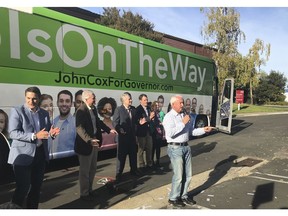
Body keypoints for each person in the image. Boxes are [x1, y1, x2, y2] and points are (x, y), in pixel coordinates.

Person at [7, 86, 60, 209]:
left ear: (39, 99)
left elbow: (45, 132)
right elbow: (13, 133)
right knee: (23, 188)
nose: (31, 101)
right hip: (22, 156)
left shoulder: (44, 113)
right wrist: (34, 136)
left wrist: (51, 134)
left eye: (34, 99)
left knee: (36, 189)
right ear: (25, 97)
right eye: (28, 98)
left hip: (40, 155)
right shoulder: (17, 110)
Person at [163, 95, 213, 208]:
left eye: (183, 103)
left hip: (186, 146)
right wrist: (183, 123)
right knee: (179, 175)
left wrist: (203, 130)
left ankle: (184, 195)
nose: (182, 105)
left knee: (188, 175)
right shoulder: (169, 117)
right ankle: (173, 198)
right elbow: (170, 133)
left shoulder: (184, 116)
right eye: (180, 103)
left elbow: (191, 131)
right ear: (173, 104)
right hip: (175, 148)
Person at [74, 90, 117, 201]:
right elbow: (79, 129)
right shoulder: (81, 111)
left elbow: (98, 122)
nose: (95, 99)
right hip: (86, 144)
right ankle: (84, 194)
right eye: (93, 98)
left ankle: (90, 190)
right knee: (84, 171)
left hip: (95, 142)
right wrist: (89, 140)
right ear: (86, 99)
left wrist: (109, 130)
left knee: (92, 169)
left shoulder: (92, 109)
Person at [112, 92, 143, 182]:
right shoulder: (119, 109)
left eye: (131, 98)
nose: (131, 100)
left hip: (132, 137)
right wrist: (119, 129)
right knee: (121, 157)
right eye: (129, 99)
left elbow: (137, 121)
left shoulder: (133, 110)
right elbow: (115, 123)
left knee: (133, 155)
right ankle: (119, 174)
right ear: (124, 100)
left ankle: (133, 170)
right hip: (122, 138)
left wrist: (141, 122)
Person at [53, 90, 76, 156]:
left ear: (71, 104)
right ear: (57, 103)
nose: (64, 104)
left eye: (67, 101)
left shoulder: (76, 124)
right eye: (61, 101)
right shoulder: (52, 122)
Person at [135, 94, 154, 171]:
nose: (146, 101)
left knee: (149, 147)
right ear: (140, 101)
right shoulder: (138, 110)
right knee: (141, 149)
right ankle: (141, 165)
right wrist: (149, 118)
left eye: (146, 99)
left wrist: (152, 119)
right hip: (141, 132)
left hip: (149, 131)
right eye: (144, 100)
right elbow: (140, 122)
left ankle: (149, 163)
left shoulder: (149, 108)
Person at [150, 101, 164, 168]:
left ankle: (158, 160)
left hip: (159, 132)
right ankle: (152, 161)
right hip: (154, 132)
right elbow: (152, 122)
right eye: (156, 105)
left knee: (158, 147)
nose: (157, 106)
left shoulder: (160, 113)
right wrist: (158, 123)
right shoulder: (152, 113)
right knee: (153, 148)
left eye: (158, 105)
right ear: (153, 106)